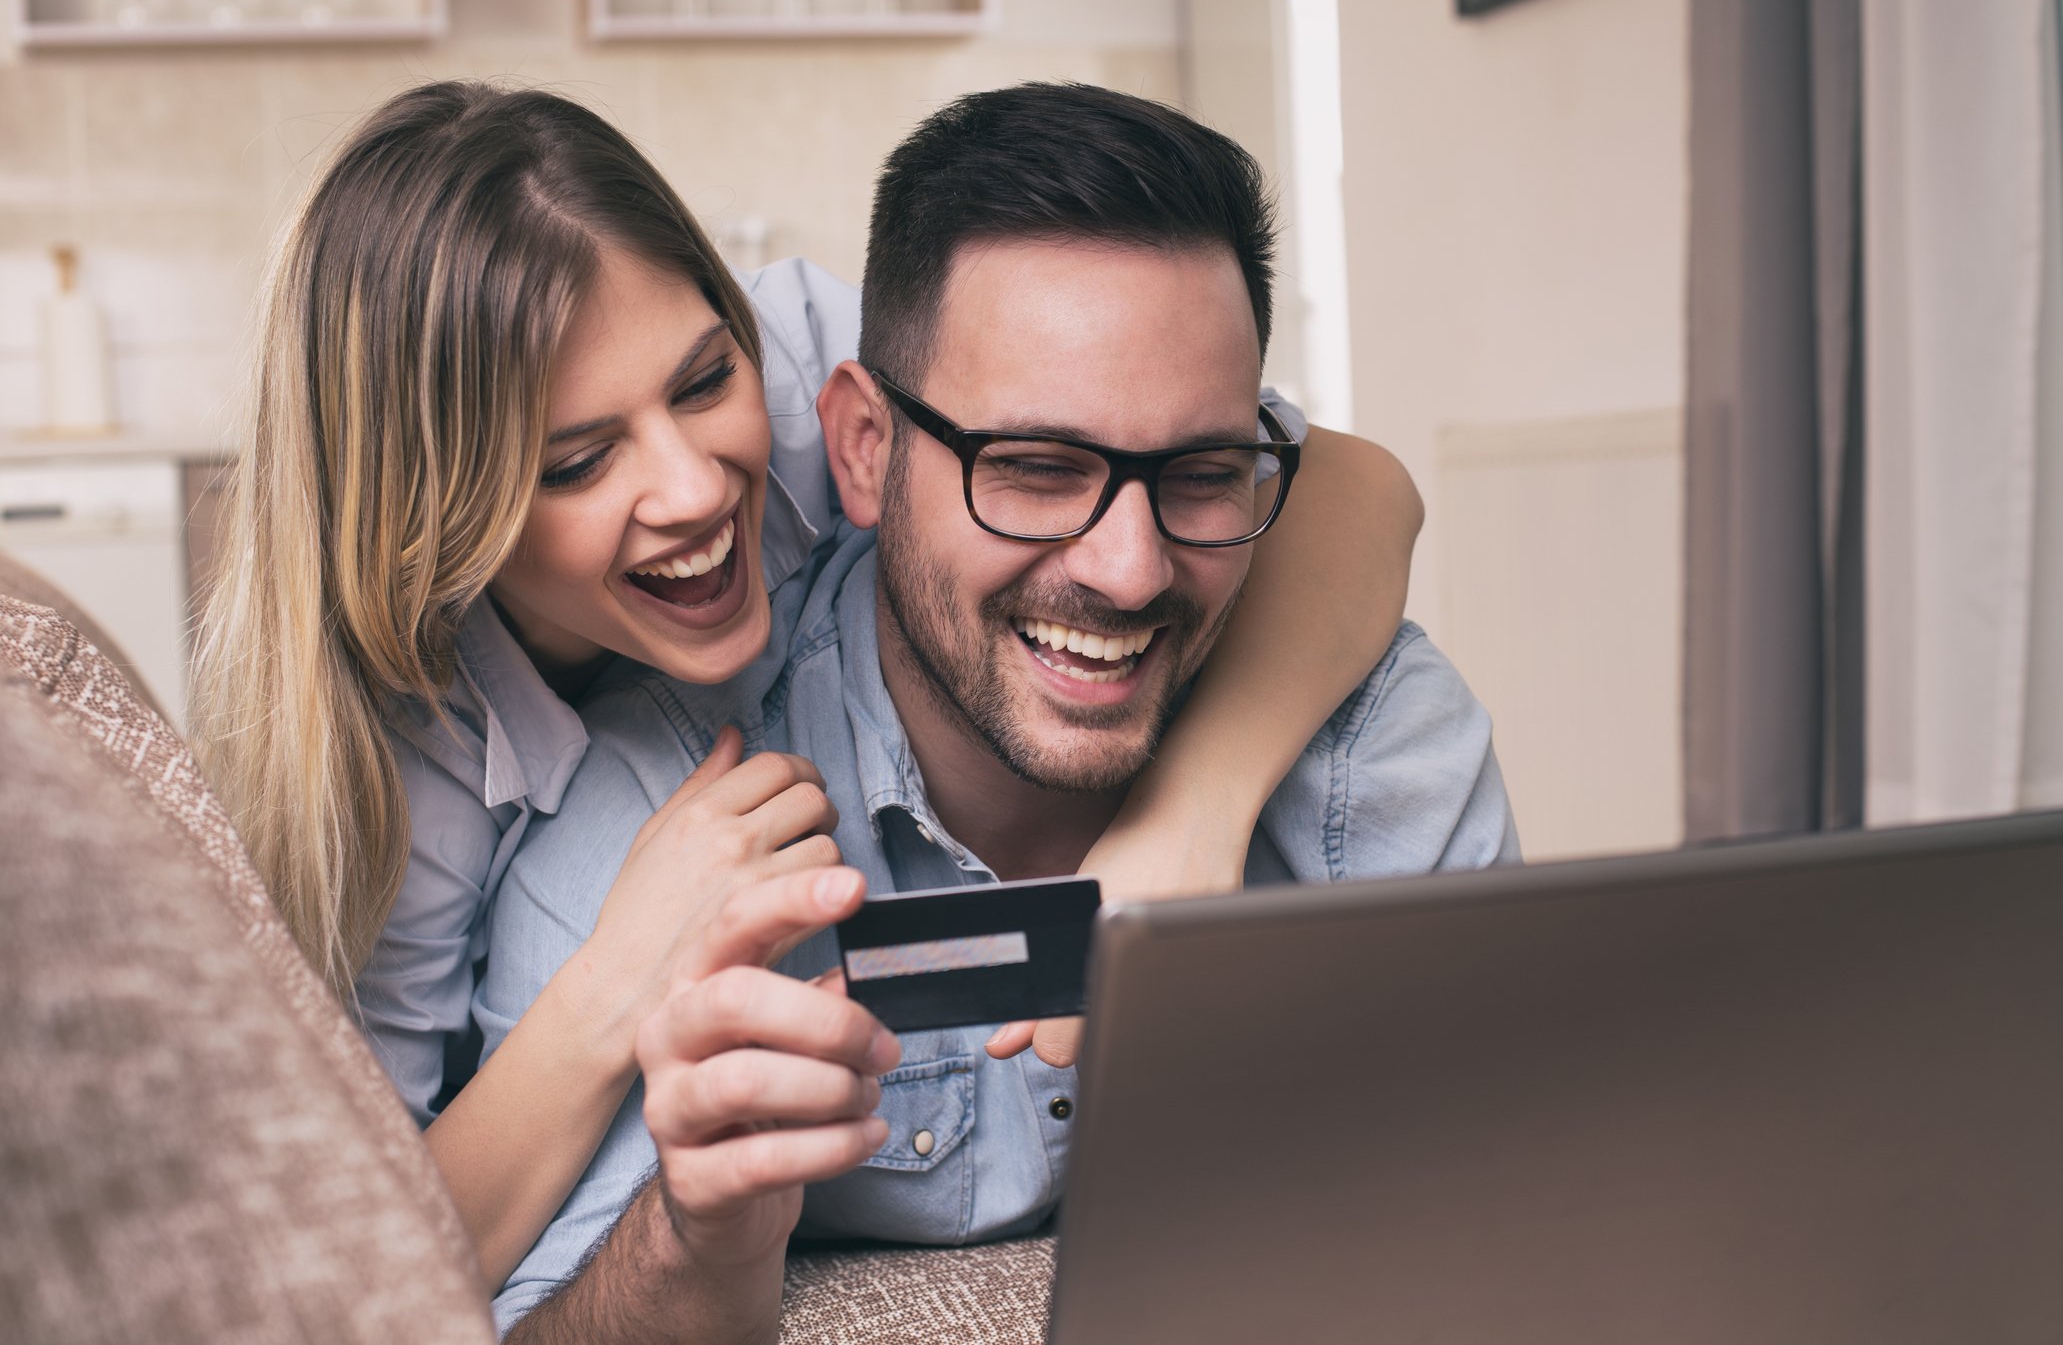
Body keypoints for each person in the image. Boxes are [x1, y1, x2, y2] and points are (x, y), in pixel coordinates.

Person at [187, 81, 1428, 1290]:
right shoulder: (410, 763)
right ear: (433, 520)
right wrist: (619, 980)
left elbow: (1353, 487)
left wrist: (1180, 832)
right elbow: (345, 1283)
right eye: (576, 461)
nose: (694, 487)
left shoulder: (807, 373)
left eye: (697, 382)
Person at [477, 82, 1520, 1339]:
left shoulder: (1369, 743)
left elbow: (1516, 1220)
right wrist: (698, 1239)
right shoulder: (654, 822)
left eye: (1196, 474)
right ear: (861, 449)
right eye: (1031, 471)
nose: (1127, 570)